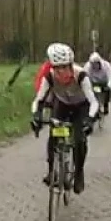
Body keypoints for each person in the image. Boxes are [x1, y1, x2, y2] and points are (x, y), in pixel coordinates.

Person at [31, 43, 99, 194]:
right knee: (53, 133)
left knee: (79, 139)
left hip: (81, 107)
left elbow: (93, 101)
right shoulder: (49, 76)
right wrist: (36, 115)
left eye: (65, 67)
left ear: (70, 65)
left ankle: (79, 172)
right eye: (57, 68)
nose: (61, 72)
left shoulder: (80, 75)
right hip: (62, 104)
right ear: (52, 67)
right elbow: (39, 99)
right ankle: (51, 171)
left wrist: (90, 119)